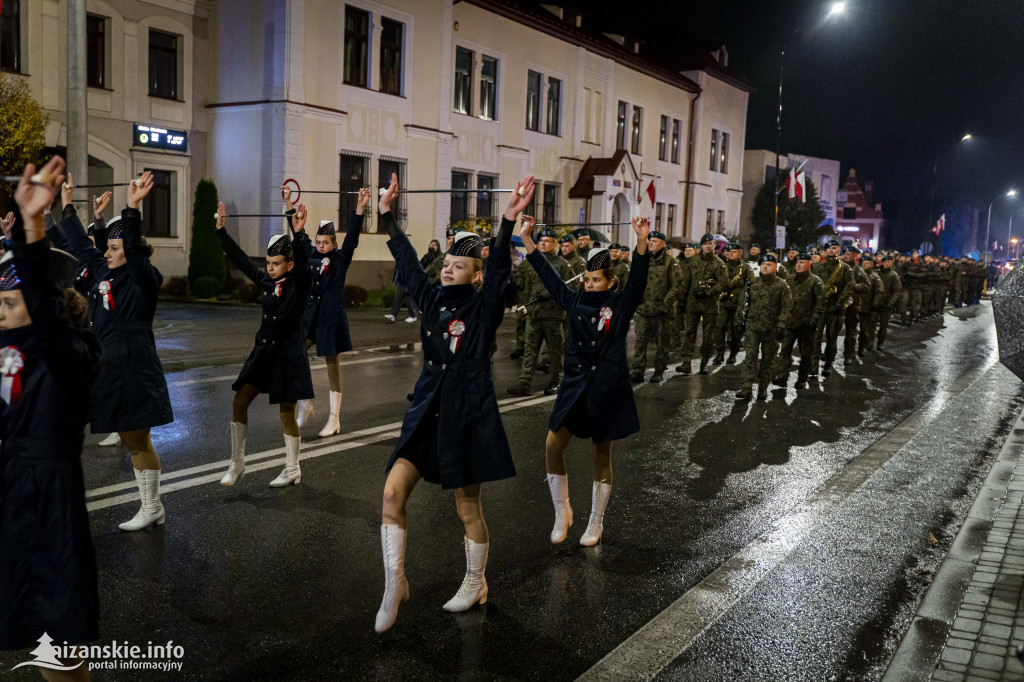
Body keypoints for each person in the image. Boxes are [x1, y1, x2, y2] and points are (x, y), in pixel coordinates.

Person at [373, 173, 529, 633]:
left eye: (459, 266)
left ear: (475, 275)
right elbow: (406, 259)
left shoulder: (483, 308)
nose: (447, 269)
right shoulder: (432, 298)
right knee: (390, 493)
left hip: (466, 417)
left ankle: (476, 581)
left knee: (466, 509)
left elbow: (500, 270)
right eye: (446, 263)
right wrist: (386, 213)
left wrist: (507, 223)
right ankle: (394, 583)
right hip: (426, 412)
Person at [0, 157, 103, 679]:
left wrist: (34, 229)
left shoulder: (71, 354)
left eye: (10, 299)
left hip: (50, 504)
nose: (0, 306)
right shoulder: (7, 354)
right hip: (13, 494)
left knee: (58, 646)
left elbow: (48, 317)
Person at [523, 217, 650, 546]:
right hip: (575, 387)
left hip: (607, 388)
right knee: (553, 445)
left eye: (596, 280)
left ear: (609, 281)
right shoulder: (574, 301)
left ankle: (596, 521)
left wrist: (641, 241)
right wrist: (527, 240)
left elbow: (638, 280)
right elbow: (549, 279)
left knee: (600, 453)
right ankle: (562, 511)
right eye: (588, 279)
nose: (590, 284)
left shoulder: (620, 305)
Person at [61, 171, 174, 531]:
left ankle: (152, 507)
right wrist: (65, 206)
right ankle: (150, 506)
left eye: (114, 248)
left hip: (134, 366)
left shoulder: (144, 277)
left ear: (130, 249)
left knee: (137, 438)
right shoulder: (105, 272)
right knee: (129, 437)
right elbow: (81, 247)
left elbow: (136, 253)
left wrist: (132, 207)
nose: (106, 254)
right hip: (111, 368)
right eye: (107, 248)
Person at [214, 200, 313, 487]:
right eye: (268, 263)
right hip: (264, 352)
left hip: (288, 355)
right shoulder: (266, 281)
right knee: (240, 399)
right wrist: (221, 231)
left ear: (289, 265)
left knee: (286, 413)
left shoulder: (299, 283)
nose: (269, 268)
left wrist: (299, 233)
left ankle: (293, 468)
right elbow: (242, 260)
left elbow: (305, 265)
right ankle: (237, 463)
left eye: (276, 264)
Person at [291, 186, 370, 437]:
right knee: (293, 351)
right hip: (310, 317)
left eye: (326, 242)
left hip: (330, 318)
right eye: (319, 242)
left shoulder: (339, 259)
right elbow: (298, 237)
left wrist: (359, 209)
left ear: (333, 244)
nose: (322, 245)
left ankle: (334, 419)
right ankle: (304, 403)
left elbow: (353, 240)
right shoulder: (310, 255)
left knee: (332, 365)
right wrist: (290, 210)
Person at [508, 226, 572, 396]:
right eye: (541, 241)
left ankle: (555, 380)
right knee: (530, 350)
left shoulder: (562, 264)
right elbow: (525, 287)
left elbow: (570, 288)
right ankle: (524, 382)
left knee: (555, 351)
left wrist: (551, 295)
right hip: (534, 313)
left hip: (553, 314)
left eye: (547, 241)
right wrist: (525, 307)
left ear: (555, 243)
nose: (543, 244)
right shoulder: (531, 262)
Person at [628, 230, 683, 383]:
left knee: (662, 343)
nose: (651, 243)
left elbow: (677, 286)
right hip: (643, 308)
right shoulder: (642, 260)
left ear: (663, 244)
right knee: (640, 342)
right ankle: (637, 371)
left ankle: (659, 370)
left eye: (655, 241)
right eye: (650, 240)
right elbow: (633, 280)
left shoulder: (671, 262)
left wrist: (665, 304)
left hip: (662, 311)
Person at [736, 253, 792, 401]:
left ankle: (763, 388)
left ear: (775, 267)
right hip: (753, 327)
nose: (765, 267)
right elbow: (743, 304)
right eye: (762, 264)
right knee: (750, 358)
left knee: (768, 360)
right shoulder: (752, 283)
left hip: (771, 329)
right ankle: (746, 388)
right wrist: (738, 322)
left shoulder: (781, 285)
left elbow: (787, 307)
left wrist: (781, 325)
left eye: (769, 265)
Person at [677, 234, 727, 374]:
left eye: (710, 243)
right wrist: (682, 299)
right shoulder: (693, 262)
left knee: (708, 335)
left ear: (713, 245)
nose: (707, 246)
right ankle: (686, 362)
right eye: (705, 244)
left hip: (710, 304)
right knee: (689, 333)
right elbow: (686, 281)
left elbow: (723, 284)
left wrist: (708, 292)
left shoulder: (719, 264)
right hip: (693, 303)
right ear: (701, 246)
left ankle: (704, 363)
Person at [772, 252, 824, 389]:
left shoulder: (815, 282)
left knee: (806, 354)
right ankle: (781, 376)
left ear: (809, 264)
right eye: (797, 263)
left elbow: (820, 303)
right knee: (784, 351)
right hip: (790, 323)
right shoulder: (789, 280)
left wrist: (814, 319)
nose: (799, 265)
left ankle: (802, 378)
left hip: (806, 325)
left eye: (802, 262)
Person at [714, 242, 753, 365]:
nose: (731, 254)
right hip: (724, 303)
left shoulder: (746, 268)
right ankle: (719, 354)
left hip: (738, 305)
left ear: (740, 253)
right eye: (729, 252)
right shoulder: (723, 266)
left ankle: (733, 354)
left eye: (734, 252)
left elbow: (752, 284)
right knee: (719, 328)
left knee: (735, 331)